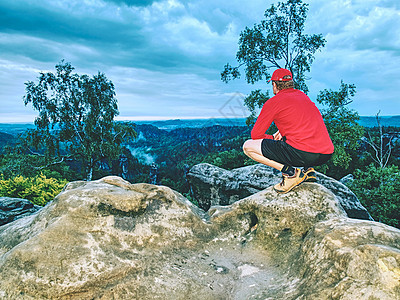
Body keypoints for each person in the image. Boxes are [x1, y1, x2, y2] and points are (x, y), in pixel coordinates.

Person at [242, 68, 334, 193]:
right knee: (297, 137)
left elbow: (256, 135)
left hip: (303, 153)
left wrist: (273, 138)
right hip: (325, 154)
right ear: (291, 83)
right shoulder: (303, 96)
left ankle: (290, 174)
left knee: (247, 146)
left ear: (274, 85)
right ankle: (309, 170)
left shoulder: (274, 102)